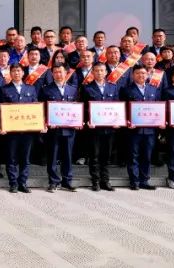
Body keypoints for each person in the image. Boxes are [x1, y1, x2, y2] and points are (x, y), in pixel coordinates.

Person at [39, 64, 78, 192]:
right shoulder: (46, 90)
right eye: (55, 72)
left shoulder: (73, 90)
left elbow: (76, 108)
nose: (58, 74)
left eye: (60, 72)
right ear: (52, 74)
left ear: (66, 73)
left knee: (68, 155)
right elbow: (41, 109)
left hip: (69, 129)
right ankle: (53, 181)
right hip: (53, 129)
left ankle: (67, 181)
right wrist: (45, 122)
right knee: (52, 156)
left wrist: (78, 121)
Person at [0, 64, 39, 194]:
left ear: (23, 73)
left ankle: (23, 182)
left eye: (18, 71)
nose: (16, 73)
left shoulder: (31, 88)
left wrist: (38, 124)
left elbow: (35, 108)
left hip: (27, 131)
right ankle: (13, 183)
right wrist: (2, 125)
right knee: (11, 158)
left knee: (25, 158)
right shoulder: (4, 89)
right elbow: (0, 109)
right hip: (11, 130)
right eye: (14, 71)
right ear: (10, 73)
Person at [81, 63, 120, 191]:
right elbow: (84, 108)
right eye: (96, 70)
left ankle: (105, 181)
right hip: (94, 128)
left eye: (102, 70)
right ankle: (95, 181)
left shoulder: (113, 87)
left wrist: (117, 120)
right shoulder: (87, 88)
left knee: (106, 156)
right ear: (92, 72)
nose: (99, 73)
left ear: (106, 72)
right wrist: (87, 121)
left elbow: (117, 106)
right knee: (94, 155)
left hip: (109, 128)